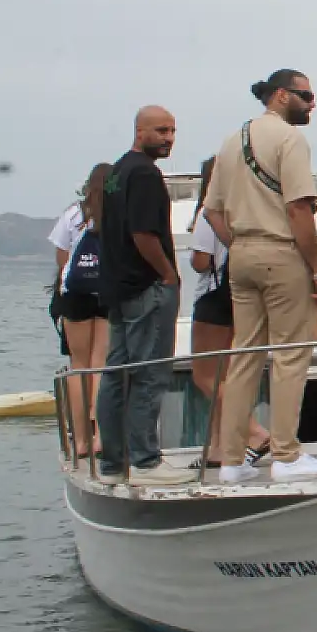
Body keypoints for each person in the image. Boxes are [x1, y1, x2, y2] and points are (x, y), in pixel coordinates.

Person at [205, 71, 317, 484]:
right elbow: (299, 210)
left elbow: (212, 210)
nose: (312, 104)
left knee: (243, 357)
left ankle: (230, 461)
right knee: (291, 355)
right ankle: (286, 455)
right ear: (281, 95)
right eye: (305, 95)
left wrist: (241, 243)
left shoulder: (231, 141)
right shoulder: (289, 139)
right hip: (281, 252)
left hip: (241, 254)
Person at [93, 107, 193, 485]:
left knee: (117, 375)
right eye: (161, 130)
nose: (168, 138)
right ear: (139, 131)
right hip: (146, 288)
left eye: (173, 130)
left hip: (120, 289)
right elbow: (143, 234)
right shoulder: (145, 174)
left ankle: (113, 463)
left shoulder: (117, 172)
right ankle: (146, 461)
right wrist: (168, 274)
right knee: (149, 374)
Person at [187, 156, 269, 468]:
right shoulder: (246, 210)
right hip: (239, 294)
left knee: (204, 375)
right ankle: (219, 448)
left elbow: (200, 261)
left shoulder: (210, 211)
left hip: (212, 296)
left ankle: (254, 430)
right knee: (226, 372)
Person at [50, 163, 110, 459]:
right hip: (107, 294)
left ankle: (82, 442)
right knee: (100, 364)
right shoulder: (117, 215)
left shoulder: (73, 215)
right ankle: (100, 436)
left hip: (75, 295)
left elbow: (63, 260)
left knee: (79, 366)